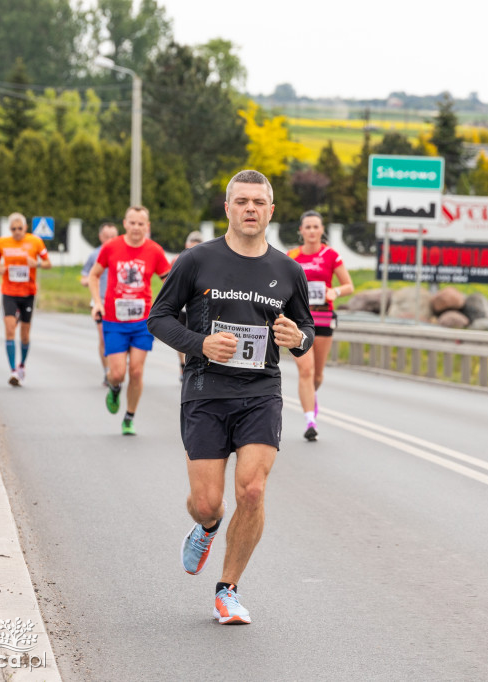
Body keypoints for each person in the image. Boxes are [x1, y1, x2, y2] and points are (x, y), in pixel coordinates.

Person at [147, 169, 314, 625]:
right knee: (207, 501)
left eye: (258, 202)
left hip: (261, 391)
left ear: (271, 210)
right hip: (205, 390)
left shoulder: (288, 269)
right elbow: (158, 318)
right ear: (227, 208)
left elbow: (306, 331)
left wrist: (296, 336)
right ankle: (206, 527)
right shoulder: (196, 261)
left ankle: (228, 589)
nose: (250, 209)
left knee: (253, 491)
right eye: (241, 201)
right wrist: (199, 343)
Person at [87, 206, 171, 436]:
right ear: (125, 224)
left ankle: (129, 417)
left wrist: (163, 308)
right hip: (114, 320)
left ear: (147, 226)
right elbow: (94, 275)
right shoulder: (111, 247)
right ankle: (114, 389)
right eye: (132, 223)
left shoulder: (154, 251)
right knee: (117, 373)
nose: (136, 228)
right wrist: (98, 302)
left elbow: (169, 281)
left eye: (140, 224)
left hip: (142, 321)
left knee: (136, 371)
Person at [286, 210, 354, 441]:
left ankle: (311, 398)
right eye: (308, 227)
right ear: (301, 231)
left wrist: (332, 291)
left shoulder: (331, 255)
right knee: (305, 370)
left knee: (317, 374)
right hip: (298, 319)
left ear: (322, 230)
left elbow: (348, 286)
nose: (312, 231)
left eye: (316, 227)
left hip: (323, 317)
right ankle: (310, 421)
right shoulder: (292, 255)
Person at [0, 212, 52, 386]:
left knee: (25, 333)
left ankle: (22, 366)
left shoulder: (35, 242)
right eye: (13, 229)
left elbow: (49, 263)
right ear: (9, 229)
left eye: (20, 228)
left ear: (25, 228)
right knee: (10, 328)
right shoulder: (2, 242)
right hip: (9, 291)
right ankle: (13, 371)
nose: (17, 231)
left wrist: (38, 264)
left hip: (28, 293)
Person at [81, 222, 120, 386]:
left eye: (113, 236)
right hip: (100, 301)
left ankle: (117, 366)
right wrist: (87, 281)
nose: (110, 239)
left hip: (119, 302)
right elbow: (85, 276)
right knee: (104, 338)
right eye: (107, 236)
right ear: (100, 237)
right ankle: (107, 372)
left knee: (118, 338)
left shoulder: (122, 253)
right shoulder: (95, 255)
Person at [172, 230, 204, 382]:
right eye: (190, 248)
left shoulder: (207, 262)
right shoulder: (177, 260)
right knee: (181, 337)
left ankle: (195, 365)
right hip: (182, 306)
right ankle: (183, 364)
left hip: (198, 308)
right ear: (186, 246)